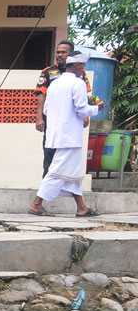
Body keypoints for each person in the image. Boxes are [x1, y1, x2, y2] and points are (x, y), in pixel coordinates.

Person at [28, 50, 102, 217]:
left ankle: (81, 207)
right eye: (82, 65)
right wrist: (97, 108)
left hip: (56, 135)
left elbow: (46, 109)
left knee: (72, 172)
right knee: (57, 171)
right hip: (70, 136)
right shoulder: (78, 84)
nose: (83, 68)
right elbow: (81, 108)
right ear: (76, 65)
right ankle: (36, 204)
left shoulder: (55, 84)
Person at [35, 40, 91, 177]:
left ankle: (66, 185)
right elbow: (41, 95)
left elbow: (84, 95)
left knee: (69, 154)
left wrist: (86, 115)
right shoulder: (48, 72)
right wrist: (39, 117)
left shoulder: (80, 73)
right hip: (52, 120)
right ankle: (47, 185)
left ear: (70, 55)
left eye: (63, 52)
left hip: (70, 122)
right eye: (57, 52)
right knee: (50, 152)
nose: (59, 55)